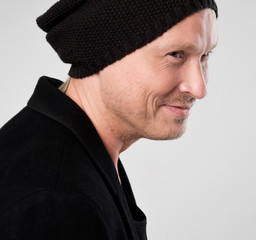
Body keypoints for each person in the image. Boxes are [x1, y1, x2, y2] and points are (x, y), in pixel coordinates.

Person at [0, 0, 218, 239]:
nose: (199, 88)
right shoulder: (56, 200)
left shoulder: (80, 154)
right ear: (103, 54)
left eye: (205, 56)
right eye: (175, 54)